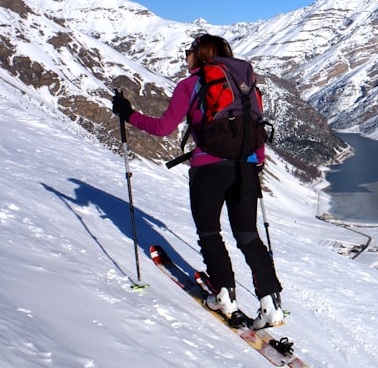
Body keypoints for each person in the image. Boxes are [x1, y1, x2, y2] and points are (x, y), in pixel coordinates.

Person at [112, 34, 284, 329]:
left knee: (209, 233)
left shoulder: (190, 85)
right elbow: (255, 129)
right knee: (248, 236)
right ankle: (271, 304)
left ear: (200, 54)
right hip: (246, 167)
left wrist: (127, 114)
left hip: (208, 169)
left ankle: (224, 295)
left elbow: (163, 128)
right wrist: (255, 164)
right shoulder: (244, 86)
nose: (185, 57)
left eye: (188, 51)